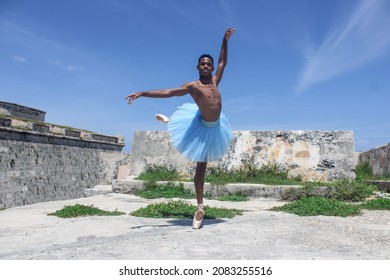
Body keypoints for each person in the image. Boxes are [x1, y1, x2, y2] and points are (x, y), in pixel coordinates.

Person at [125, 27, 236, 229]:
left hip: (217, 127)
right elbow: (169, 92)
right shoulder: (193, 86)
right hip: (202, 127)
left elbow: (223, 62)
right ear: (197, 67)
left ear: (211, 68)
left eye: (208, 64)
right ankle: (200, 207)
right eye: (202, 64)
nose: (206, 66)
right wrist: (142, 93)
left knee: (203, 165)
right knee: (200, 170)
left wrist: (224, 40)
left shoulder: (214, 81)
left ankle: (169, 121)